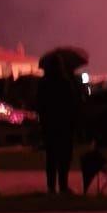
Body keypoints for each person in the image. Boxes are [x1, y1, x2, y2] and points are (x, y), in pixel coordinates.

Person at [36, 50, 81, 197]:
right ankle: (63, 185)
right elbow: (72, 103)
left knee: (51, 157)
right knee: (64, 157)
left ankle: (51, 186)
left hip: (49, 125)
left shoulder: (43, 83)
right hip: (64, 125)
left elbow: (39, 104)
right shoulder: (65, 82)